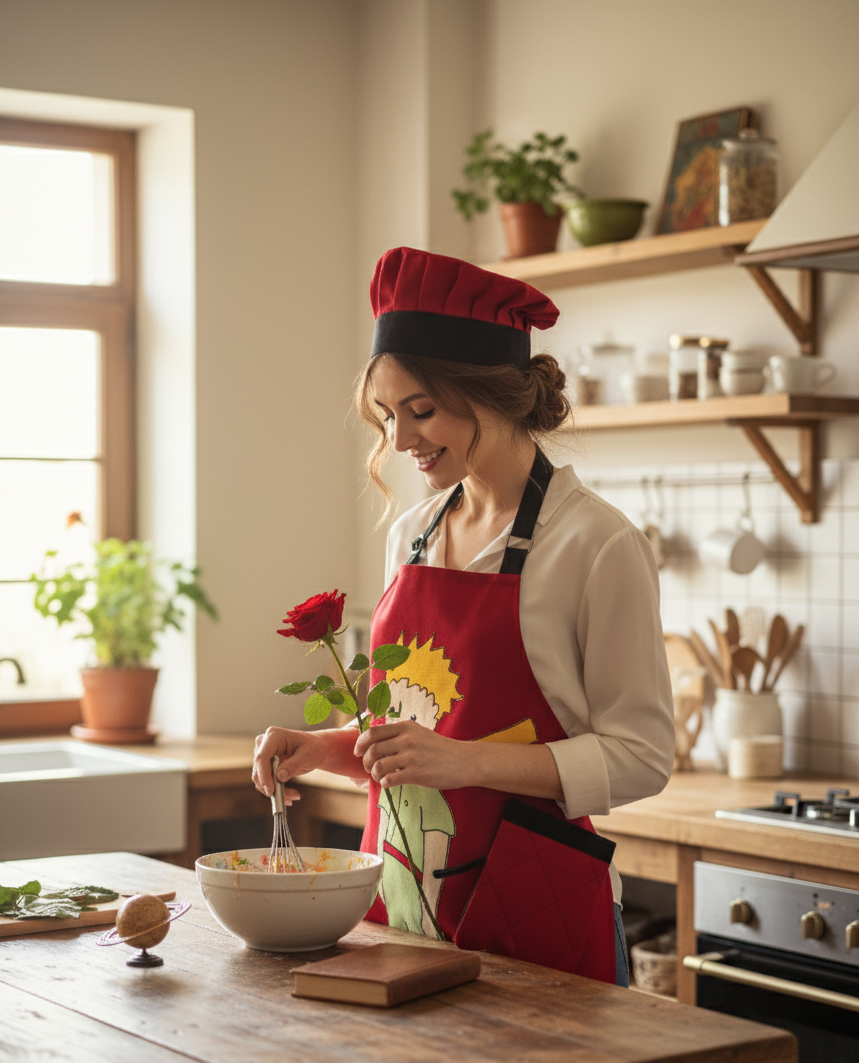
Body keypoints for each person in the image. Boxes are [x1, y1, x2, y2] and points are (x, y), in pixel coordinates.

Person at [253, 246, 675, 986]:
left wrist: (471, 760)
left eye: (421, 410)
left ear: (494, 395)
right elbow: (424, 731)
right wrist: (326, 748)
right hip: (402, 908)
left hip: (532, 915)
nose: (401, 440)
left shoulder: (595, 542)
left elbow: (641, 755)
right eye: (388, 416)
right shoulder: (410, 534)